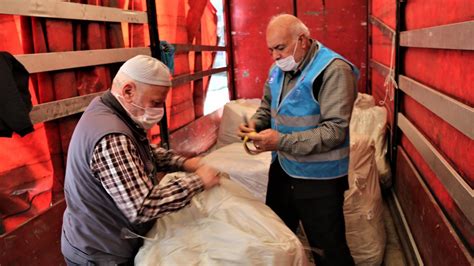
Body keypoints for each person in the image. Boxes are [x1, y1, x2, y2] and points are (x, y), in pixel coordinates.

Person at [61, 55, 221, 265]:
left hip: (102, 238)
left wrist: (183, 163)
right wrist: (199, 181)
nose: (159, 111)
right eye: (155, 103)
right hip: (101, 252)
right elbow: (142, 207)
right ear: (128, 91)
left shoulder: (108, 109)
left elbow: (140, 151)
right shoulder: (111, 136)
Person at [238, 14, 358, 265]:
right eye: (271, 50)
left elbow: (334, 131)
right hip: (283, 170)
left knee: (328, 248)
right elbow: (268, 107)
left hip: (319, 179)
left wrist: (280, 141)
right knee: (278, 237)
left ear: (302, 40)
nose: (275, 56)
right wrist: (256, 124)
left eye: (280, 48)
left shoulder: (333, 70)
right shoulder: (277, 69)